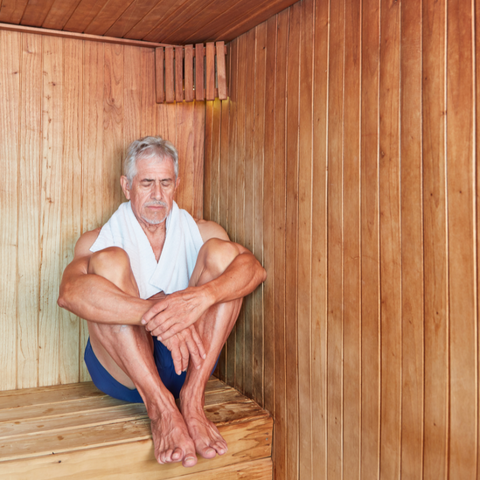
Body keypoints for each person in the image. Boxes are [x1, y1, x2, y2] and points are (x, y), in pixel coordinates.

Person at [57, 136, 266, 468]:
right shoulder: (99, 239)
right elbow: (70, 293)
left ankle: (192, 401)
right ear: (126, 186)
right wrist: (156, 315)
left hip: (188, 364)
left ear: (176, 185)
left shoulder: (200, 230)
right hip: (122, 370)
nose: (157, 195)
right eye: (147, 183)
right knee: (107, 263)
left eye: (165, 183)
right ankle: (161, 408)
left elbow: (253, 270)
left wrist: (199, 299)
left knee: (225, 256)